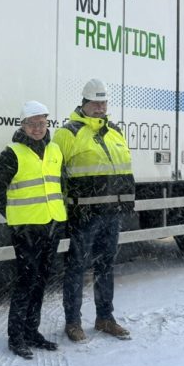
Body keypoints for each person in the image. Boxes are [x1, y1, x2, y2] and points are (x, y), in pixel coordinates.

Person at [53, 79, 135, 341]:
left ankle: (105, 318)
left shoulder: (115, 131)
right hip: (84, 215)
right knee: (76, 268)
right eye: (95, 103)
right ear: (84, 103)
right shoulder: (68, 133)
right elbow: (55, 175)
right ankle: (73, 323)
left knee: (106, 266)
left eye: (103, 103)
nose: (100, 107)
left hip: (111, 213)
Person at [0, 100, 67, 359]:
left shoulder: (55, 150)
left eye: (41, 123)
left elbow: (60, 185)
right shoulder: (13, 152)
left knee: (42, 280)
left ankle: (32, 331)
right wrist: (14, 219)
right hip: (26, 230)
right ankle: (16, 337)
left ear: (47, 124)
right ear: (22, 125)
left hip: (52, 225)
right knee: (26, 281)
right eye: (32, 124)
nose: (37, 128)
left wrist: (60, 215)